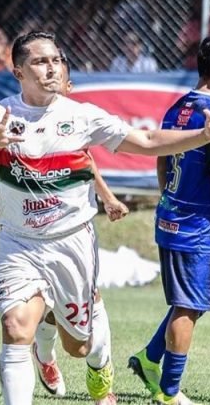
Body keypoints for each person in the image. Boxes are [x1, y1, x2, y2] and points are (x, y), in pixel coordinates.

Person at [0, 31, 210, 405]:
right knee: (15, 327)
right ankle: (40, 351)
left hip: (71, 243)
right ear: (17, 71)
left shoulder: (81, 116)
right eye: (40, 62)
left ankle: (99, 361)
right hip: (19, 243)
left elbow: (147, 142)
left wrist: (203, 135)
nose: (52, 68)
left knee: (80, 346)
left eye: (56, 60)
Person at [127, 36, 210, 405]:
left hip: (172, 217)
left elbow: (161, 156)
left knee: (193, 298)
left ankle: (149, 359)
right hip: (194, 225)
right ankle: (169, 392)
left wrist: (169, 197)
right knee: (188, 306)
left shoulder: (179, 106)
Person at [32, 48, 130, 399]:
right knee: (46, 303)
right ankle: (45, 354)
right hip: (32, 231)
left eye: (58, 75)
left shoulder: (75, 120)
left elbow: (87, 163)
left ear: (68, 86)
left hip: (74, 229)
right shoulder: (26, 119)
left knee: (85, 302)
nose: (51, 80)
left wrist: (108, 198)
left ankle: (100, 381)